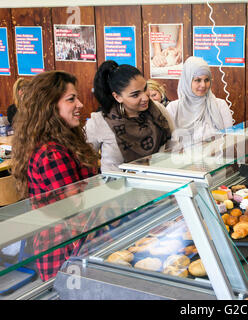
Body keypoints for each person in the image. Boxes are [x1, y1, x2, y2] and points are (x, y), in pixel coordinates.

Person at [10, 70, 99, 281]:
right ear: (50, 106)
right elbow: (77, 207)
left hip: (70, 244)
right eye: (71, 99)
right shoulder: (52, 153)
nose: (80, 104)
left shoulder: (58, 142)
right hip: (67, 250)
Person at [86, 60, 174, 172]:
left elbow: (173, 146)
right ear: (117, 97)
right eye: (135, 95)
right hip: (117, 187)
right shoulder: (100, 121)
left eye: (145, 88)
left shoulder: (158, 110)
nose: (145, 98)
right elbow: (84, 157)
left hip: (159, 182)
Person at [166, 56, 234, 147]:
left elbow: (229, 140)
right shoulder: (174, 108)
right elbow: (169, 145)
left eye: (206, 80)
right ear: (187, 80)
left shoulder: (220, 105)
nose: (203, 85)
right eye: (197, 80)